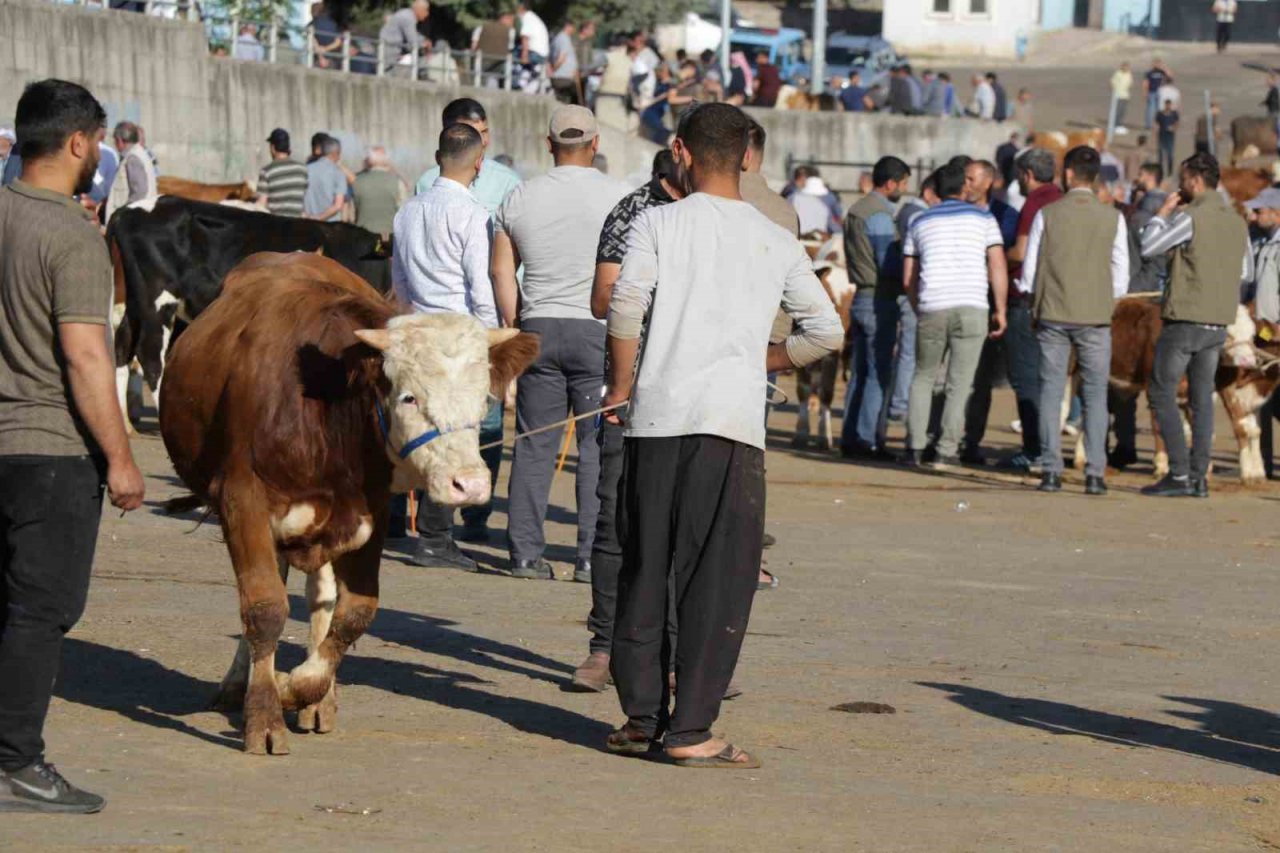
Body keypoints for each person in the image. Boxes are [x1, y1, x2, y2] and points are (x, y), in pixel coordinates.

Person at [602, 102, 842, 768]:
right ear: (748, 156)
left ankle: (641, 716)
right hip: (732, 429)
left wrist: (620, 387)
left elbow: (625, 306)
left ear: (679, 150)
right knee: (717, 577)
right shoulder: (776, 238)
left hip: (655, 420)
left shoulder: (656, 221)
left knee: (646, 564)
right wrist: (759, 358)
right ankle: (690, 729)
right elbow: (825, 332)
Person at [0, 78, 145, 814]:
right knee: (40, 609)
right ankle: (16, 762)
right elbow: (87, 358)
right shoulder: (72, 236)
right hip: (50, 449)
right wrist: (121, 458)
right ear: (81, 142)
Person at [491, 106, 629, 580]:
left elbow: (500, 270)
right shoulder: (621, 196)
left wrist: (515, 320)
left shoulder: (519, 197)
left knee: (533, 444)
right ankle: (591, 555)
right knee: (596, 445)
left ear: (548, 144)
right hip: (598, 328)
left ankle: (525, 553)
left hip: (539, 328)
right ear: (595, 144)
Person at [572, 149, 684, 691]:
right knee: (614, 519)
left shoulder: (717, 215)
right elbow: (602, 300)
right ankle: (603, 646)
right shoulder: (633, 210)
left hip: (696, 396)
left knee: (682, 530)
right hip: (631, 392)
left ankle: (676, 656)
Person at [389, 124, 501, 567]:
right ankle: (436, 538)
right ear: (479, 164)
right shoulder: (474, 216)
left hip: (416, 330)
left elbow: (397, 280)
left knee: (414, 428)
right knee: (454, 436)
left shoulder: (408, 211)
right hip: (456, 339)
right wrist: (488, 342)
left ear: (438, 158)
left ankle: (397, 519)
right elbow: (482, 286)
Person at [1140, 152, 1252, 498]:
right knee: (1202, 398)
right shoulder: (1237, 221)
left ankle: (1178, 473)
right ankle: (1199, 477)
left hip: (1185, 319)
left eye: (1183, 180)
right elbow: (1245, 272)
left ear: (1194, 182)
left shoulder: (1191, 217)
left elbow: (1148, 246)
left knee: (1161, 392)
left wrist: (1162, 213)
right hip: (1217, 322)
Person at [1019, 146, 1129, 494]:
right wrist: (1105, 301)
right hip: (1095, 317)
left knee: (1052, 390)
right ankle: (1095, 473)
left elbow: (1030, 270)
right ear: (1095, 176)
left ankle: (1051, 470)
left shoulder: (1047, 214)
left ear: (1067, 175)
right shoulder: (1113, 217)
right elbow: (1121, 273)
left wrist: (1032, 298)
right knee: (1096, 394)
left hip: (1053, 313)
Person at [901, 162, 1008, 468]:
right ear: (964, 186)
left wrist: (917, 306)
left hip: (932, 305)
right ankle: (946, 451)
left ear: (934, 189)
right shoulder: (984, 218)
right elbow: (997, 265)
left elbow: (910, 276)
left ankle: (915, 447)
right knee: (960, 384)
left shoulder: (919, 221)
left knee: (923, 376)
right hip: (973, 306)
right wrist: (1000, 309)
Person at [841, 156, 911, 459]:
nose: (905, 190)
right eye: (905, 183)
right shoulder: (881, 215)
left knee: (859, 372)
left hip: (861, 297)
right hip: (879, 299)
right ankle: (868, 439)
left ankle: (850, 437)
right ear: (892, 182)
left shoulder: (857, 209)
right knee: (877, 374)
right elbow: (887, 263)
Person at [1002, 148, 1062, 471]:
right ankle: (1048, 448)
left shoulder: (1034, 204)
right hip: (1059, 301)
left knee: (1025, 378)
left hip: (1026, 301)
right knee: (1049, 379)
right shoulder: (1061, 199)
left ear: (1026, 174)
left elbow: (1022, 252)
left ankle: (1034, 450)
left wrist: (995, 258)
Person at [960, 160, 1020, 464]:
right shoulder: (954, 210)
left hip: (986, 305)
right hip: (955, 300)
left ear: (989, 182)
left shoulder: (1006, 217)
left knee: (981, 379)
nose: (967, 184)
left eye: (972, 179)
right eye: (965, 179)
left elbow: (1008, 257)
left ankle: (971, 441)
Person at [414, 99, 522, 218]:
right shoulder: (426, 183)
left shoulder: (509, 182)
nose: (482, 141)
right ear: (449, 135)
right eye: (472, 134)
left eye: (484, 132)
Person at [104, 121, 155, 222]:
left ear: (119, 141)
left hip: (132, 223)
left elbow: (140, 192)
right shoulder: (138, 154)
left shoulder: (133, 158)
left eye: (115, 141)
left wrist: (122, 213)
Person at [352, 145, 404, 238]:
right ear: (386, 161)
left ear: (369, 160)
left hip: (362, 237)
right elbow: (404, 212)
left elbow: (351, 214)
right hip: (390, 237)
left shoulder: (356, 181)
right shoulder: (397, 182)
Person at [256, 128, 308, 217]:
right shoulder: (302, 170)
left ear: (272, 147)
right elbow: (302, 202)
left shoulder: (267, 171)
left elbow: (261, 205)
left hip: (277, 227)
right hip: (299, 226)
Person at [303, 135, 346, 221]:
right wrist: (319, 218)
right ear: (334, 153)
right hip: (330, 226)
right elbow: (338, 205)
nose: (339, 158)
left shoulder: (305, 169)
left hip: (307, 224)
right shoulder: (338, 173)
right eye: (339, 154)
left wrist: (306, 216)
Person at [380, 0, 428, 76]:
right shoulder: (408, 18)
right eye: (426, 10)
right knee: (420, 56)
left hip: (392, 50)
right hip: (391, 53)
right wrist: (424, 44)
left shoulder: (406, 14)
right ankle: (423, 76)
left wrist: (422, 41)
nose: (427, 14)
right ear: (419, 9)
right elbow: (413, 42)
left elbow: (413, 37)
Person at [549, 20, 580, 104]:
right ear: (568, 26)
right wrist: (553, 69)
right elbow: (561, 58)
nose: (574, 30)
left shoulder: (561, 38)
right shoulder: (563, 39)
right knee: (567, 102)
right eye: (573, 27)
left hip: (564, 76)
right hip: (563, 76)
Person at [516, 1, 550, 69]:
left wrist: (524, 57)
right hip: (543, 54)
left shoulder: (526, 17)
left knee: (510, 55)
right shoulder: (533, 17)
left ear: (521, 8)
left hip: (534, 54)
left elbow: (525, 37)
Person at [310, 2, 343, 70]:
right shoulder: (333, 23)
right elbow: (338, 42)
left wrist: (321, 58)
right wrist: (326, 49)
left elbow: (314, 42)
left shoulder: (314, 24)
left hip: (319, 61)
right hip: (334, 60)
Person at [1144, 58, 1173, 130]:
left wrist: (1164, 67)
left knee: (1159, 109)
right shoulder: (1149, 72)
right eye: (1156, 63)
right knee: (1151, 109)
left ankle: (1159, 124)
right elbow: (1145, 83)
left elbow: (1170, 76)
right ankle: (1149, 125)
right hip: (1151, 92)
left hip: (1161, 92)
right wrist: (1145, 92)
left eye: (1159, 63)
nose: (1157, 65)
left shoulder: (1162, 72)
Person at [1156, 99, 1179, 179]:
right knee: (1161, 155)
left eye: (1169, 105)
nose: (1168, 106)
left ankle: (1170, 171)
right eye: (1167, 105)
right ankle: (1160, 171)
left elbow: (1177, 123)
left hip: (1170, 136)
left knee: (1170, 154)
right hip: (1162, 135)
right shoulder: (1160, 114)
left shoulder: (1174, 114)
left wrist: (1173, 128)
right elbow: (1156, 124)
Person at [1111, 62, 1133, 132]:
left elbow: (1130, 83)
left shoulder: (1129, 74)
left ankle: (1119, 125)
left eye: (1127, 67)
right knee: (1117, 111)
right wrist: (1115, 90)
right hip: (1118, 95)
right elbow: (1112, 82)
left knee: (1123, 111)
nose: (1126, 68)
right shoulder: (1118, 74)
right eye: (1125, 67)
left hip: (1125, 95)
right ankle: (1115, 125)